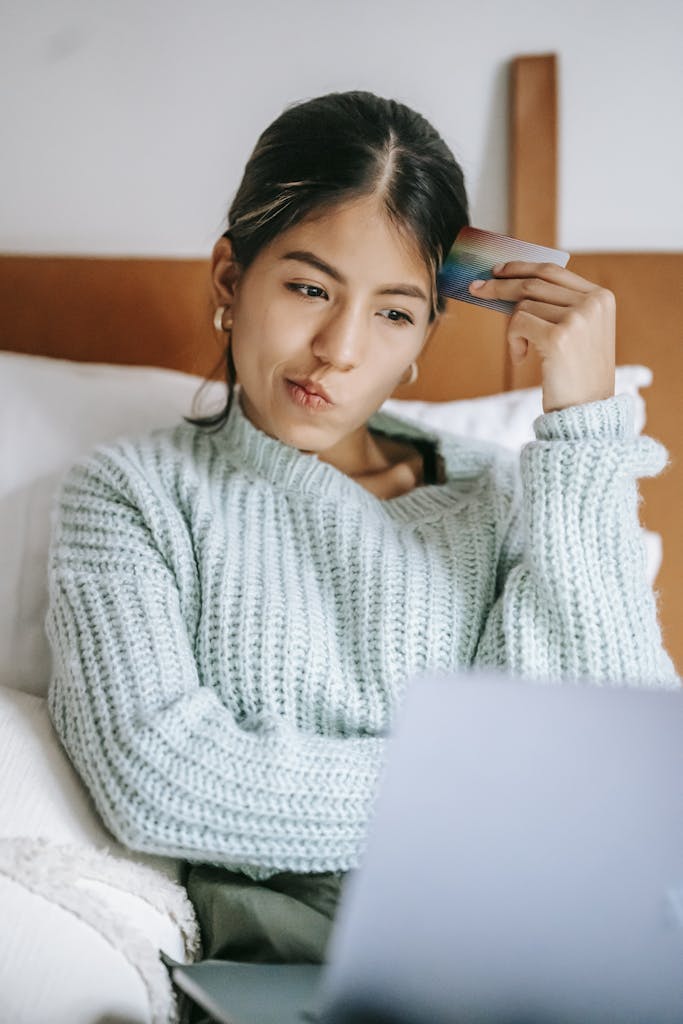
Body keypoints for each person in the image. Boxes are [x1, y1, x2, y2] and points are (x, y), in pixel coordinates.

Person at [45, 89, 679, 995]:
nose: (338, 349)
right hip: (305, 974)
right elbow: (159, 779)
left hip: (558, 957)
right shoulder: (135, 495)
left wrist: (583, 430)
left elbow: (616, 767)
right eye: (309, 288)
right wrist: (500, 794)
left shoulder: (510, 500)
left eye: (393, 312)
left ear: (426, 331)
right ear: (230, 279)